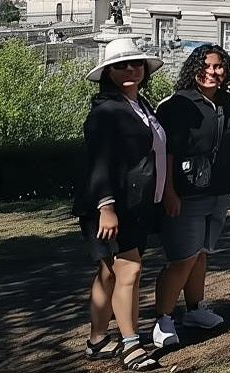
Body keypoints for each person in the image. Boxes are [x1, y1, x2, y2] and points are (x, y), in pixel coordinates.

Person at [74, 38, 167, 370]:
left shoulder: (141, 106)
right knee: (130, 272)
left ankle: (97, 340)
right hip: (112, 206)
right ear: (108, 73)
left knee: (109, 274)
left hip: (137, 204)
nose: (131, 69)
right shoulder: (105, 112)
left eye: (136, 64)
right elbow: (97, 163)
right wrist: (106, 206)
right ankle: (131, 346)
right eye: (121, 66)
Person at [151, 44, 230, 350]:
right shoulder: (177, 105)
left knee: (201, 252)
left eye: (219, 67)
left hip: (218, 192)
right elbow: (166, 152)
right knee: (182, 258)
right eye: (205, 66)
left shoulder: (226, 101)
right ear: (192, 69)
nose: (212, 72)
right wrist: (169, 192)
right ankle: (163, 318)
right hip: (187, 194)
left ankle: (194, 310)